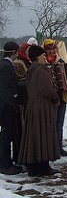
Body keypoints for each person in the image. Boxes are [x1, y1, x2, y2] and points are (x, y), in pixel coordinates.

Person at [18, 45, 60, 177]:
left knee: (35, 135)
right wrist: (55, 97)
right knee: (43, 134)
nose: (45, 58)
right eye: (43, 55)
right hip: (42, 107)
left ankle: (35, 166)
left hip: (32, 106)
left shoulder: (32, 69)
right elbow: (47, 89)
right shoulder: (41, 70)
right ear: (37, 56)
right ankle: (43, 166)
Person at [42, 39, 67, 156]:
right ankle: (51, 149)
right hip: (50, 99)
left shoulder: (61, 61)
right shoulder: (43, 63)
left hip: (62, 97)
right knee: (51, 124)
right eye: (50, 49)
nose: (53, 51)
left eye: (54, 49)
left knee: (59, 124)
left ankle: (59, 147)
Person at [0, 41, 22, 175]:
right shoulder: (6, 66)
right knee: (6, 136)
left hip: (5, 104)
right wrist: (13, 101)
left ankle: (6, 162)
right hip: (6, 106)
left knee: (6, 135)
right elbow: (6, 88)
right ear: (14, 52)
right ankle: (5, 164)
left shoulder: (4, 64)